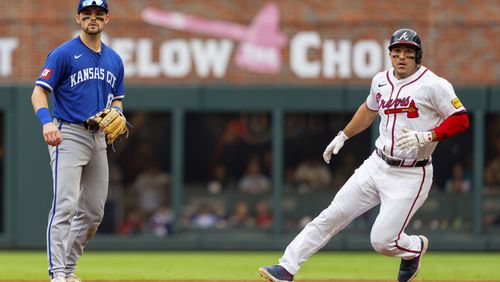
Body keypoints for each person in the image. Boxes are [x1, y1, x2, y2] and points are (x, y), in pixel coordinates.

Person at [259, 28, 469, 282]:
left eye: (408, 52)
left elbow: (461, 120)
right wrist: (343, 135)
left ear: (417, 56)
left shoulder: (434, 85)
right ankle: (286, 268)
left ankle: (413, 248)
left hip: (412, 172)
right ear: (390, 55)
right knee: (331, 215)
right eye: (397, 51)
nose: (401, 56)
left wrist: (429, 135)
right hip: (377, 164)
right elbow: (369, 110)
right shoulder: (380, 80)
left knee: (381, 241)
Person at [30, 1, 125, 282]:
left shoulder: (115, 60)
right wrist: (47, 122)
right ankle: (57, 273)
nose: (92, 19)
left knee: (94, 211)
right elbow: (38, 93)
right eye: (87, 14)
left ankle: (69, 269)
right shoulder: (63, 54)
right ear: (78, 18)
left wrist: (118, 111)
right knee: (65, 205)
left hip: (98, 137)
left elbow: (117, 98)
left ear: (106, 19)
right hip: (67, 133)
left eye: (98, 14)